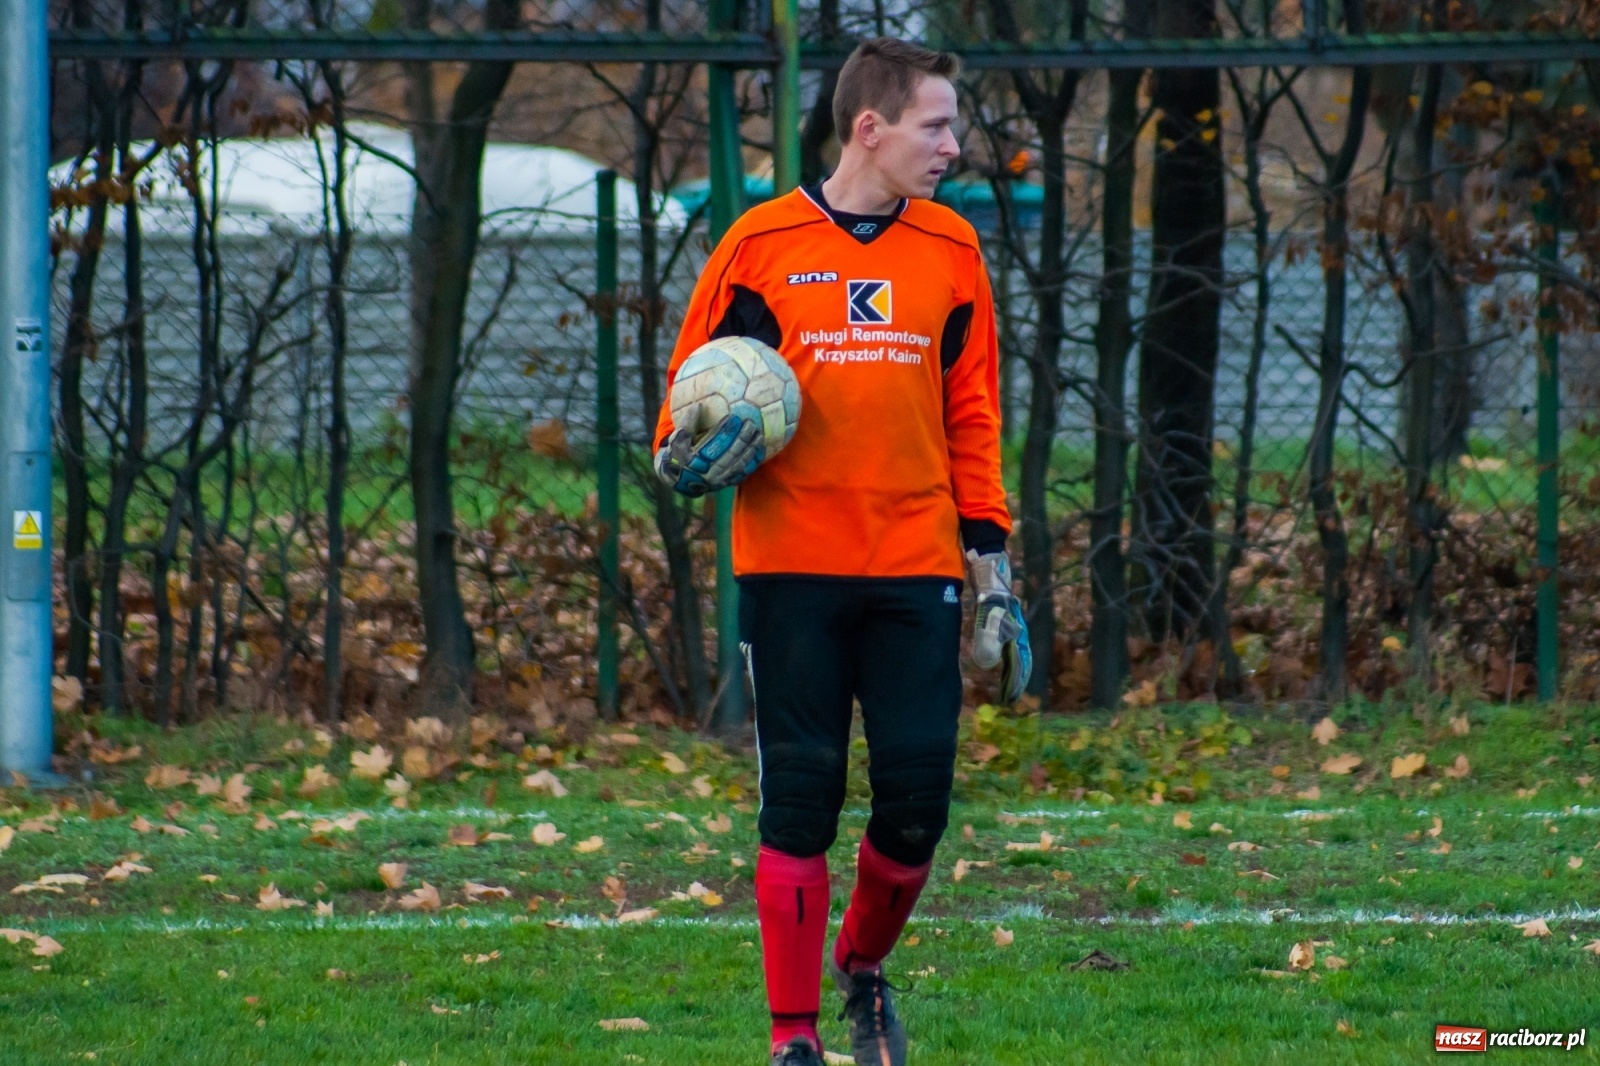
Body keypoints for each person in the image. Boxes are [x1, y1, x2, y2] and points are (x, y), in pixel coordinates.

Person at [652, 36, 1030, 1066]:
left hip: (915, 566)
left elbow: (973, 415)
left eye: (952, 125)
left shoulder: (951, 250)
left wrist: (989, 569)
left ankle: (860, 967)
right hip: (792, 568)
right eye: (936, 124)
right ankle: (792, 1041)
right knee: (802, 796)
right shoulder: (761, 242)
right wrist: (685, 455)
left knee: (916, 800)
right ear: (870, 128)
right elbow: (680, 410)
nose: (953, 144)